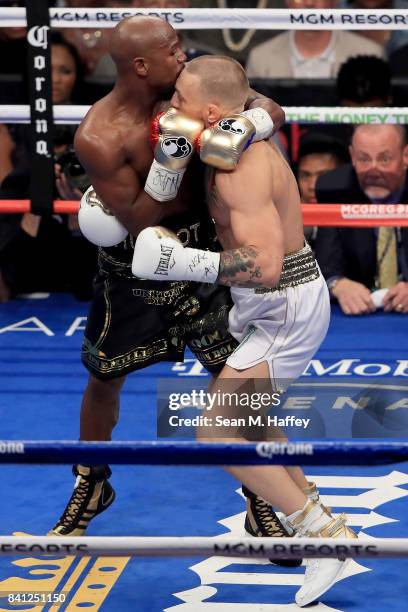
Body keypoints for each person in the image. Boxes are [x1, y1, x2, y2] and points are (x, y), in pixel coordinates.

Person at [48, 16, 290, 551]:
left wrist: (246, 126)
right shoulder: (98, 136)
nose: (182, 55)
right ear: (140, 65)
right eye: (171, 49)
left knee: (241, 378)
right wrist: (170, 162)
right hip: (136, 263)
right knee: (103, 378)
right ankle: (91, 483)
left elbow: (268, 106)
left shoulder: (193, 83)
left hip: (206, 250)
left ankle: (262, 499)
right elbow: (139, 221)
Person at [131, 55, 357, 607]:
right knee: (255, 428)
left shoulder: (242, 169)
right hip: (265, 307)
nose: (168, 111)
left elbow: (267, 264)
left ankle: (328, 538)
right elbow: (258, 104)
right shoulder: (229, 132)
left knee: (217, 435)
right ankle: (324, 522)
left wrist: (184, 264)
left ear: (210, 111)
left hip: (283, 305)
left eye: (179, 100)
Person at [315, 124, 408, 315]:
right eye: (364, 159)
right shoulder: (334, 189)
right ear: (352, 156)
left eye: (384, 159)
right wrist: (338, 285)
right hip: (357, 314)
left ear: (405, 156)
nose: (373, 170)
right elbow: (326, 265)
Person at [245, 0, 383, 79]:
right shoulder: (260, 58)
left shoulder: (370, 53)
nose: (309, 3)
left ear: (334, 1)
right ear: (287, 1)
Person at [296, 132, 349, 249]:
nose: (312, 186)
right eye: (305, 175)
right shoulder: (284, 218)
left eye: (323, 176)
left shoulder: (355, 219)